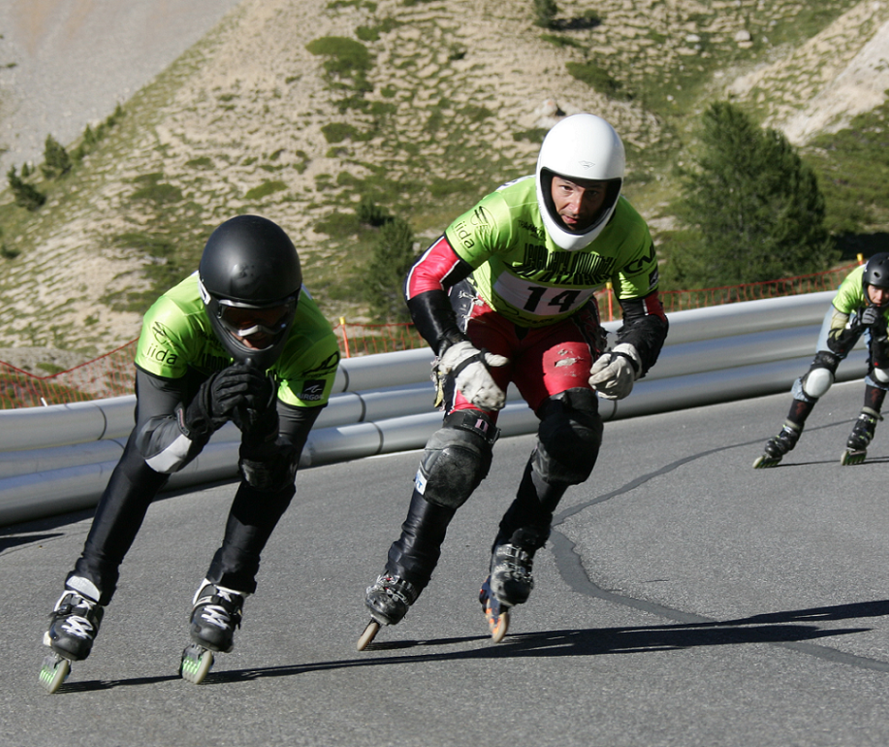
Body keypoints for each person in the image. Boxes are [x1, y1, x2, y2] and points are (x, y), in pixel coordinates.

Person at [359, 112, 668, 643]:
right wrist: (453, 350)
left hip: (560, 329)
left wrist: (630, 356)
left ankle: (518, 545)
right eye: (567, 189)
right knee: (461, 450)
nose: (575, 209)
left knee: (575, 434)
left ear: (613, 192)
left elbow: (648, 315)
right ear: (545, 177)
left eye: (593, 195)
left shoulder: (629, 232)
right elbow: (423, 275)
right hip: (487, 319)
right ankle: (407, 565)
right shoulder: (504, 211)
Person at [40, 215, 340, 690]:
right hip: (189, 383)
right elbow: (154, 450)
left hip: (266, 389)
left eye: (272, 320)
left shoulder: (315, 340)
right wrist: (199, 410)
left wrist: (261, 431)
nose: (256, 337)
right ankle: (85, 589)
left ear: (292, 308)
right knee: (144, 464)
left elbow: (281, 461)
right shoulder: (170, 317)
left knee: (270, 472)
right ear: (211, 305)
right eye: (242, 320)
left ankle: (228, 585)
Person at [753, 252, 889, 468]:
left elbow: (884, 357)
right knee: (820, 375)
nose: (880, 297)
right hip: (851, 315)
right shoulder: (851, 289)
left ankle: (867, 423)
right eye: (876, 289)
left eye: (887, 291)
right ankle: (788, 432)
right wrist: (857, 325)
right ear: (866, 284)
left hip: (885, 321)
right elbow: (835, 344)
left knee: (885, 368)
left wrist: (880, 332)